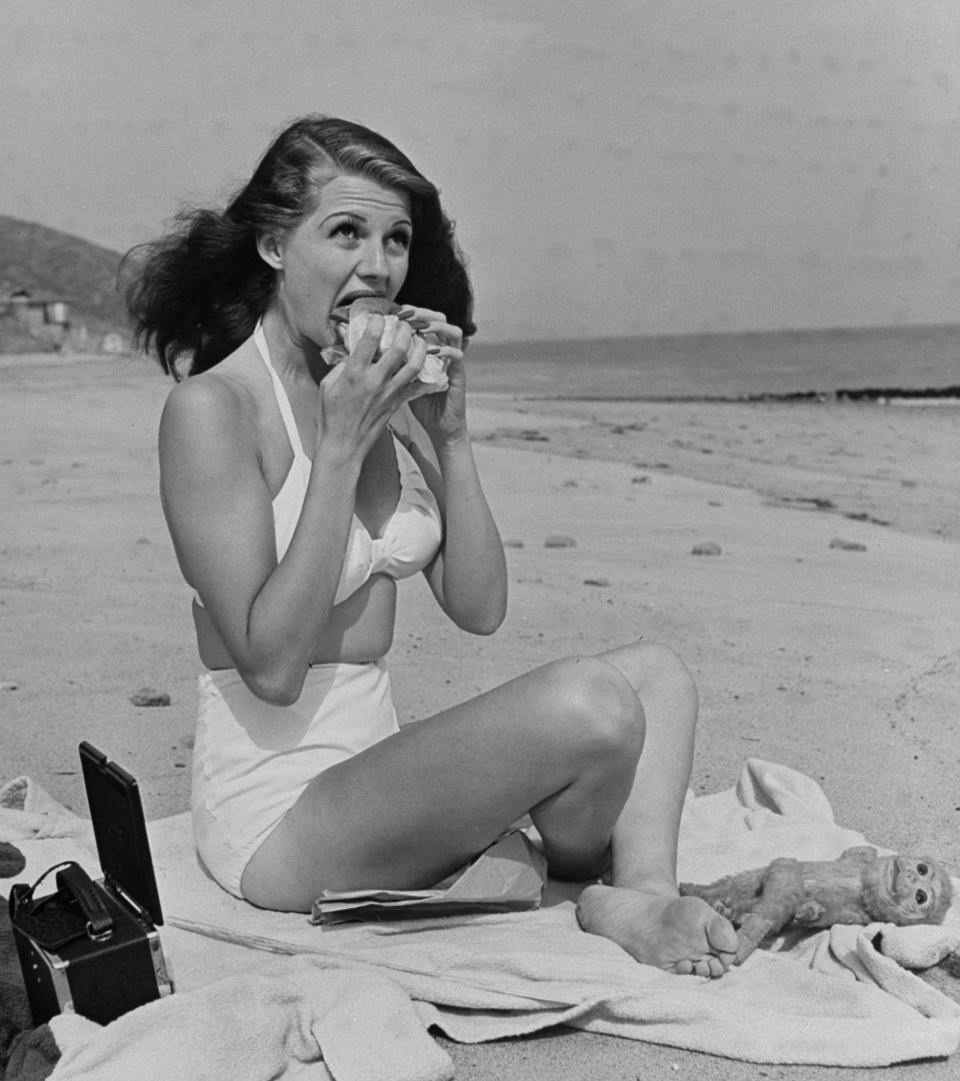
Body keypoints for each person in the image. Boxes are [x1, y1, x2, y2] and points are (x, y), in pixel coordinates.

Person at [122, 114, 738, 978]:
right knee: (593, 702)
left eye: (396, 238)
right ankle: (576, 869)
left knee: (657, 676)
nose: (377, 266)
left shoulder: (373, 390)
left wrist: (448, 437)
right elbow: (271, 666)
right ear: (271, 243)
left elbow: (480, 608)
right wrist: (339, 443)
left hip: (376, 775)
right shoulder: (213, 412)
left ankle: (631, 887)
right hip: (277, 821)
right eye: (345, 232)